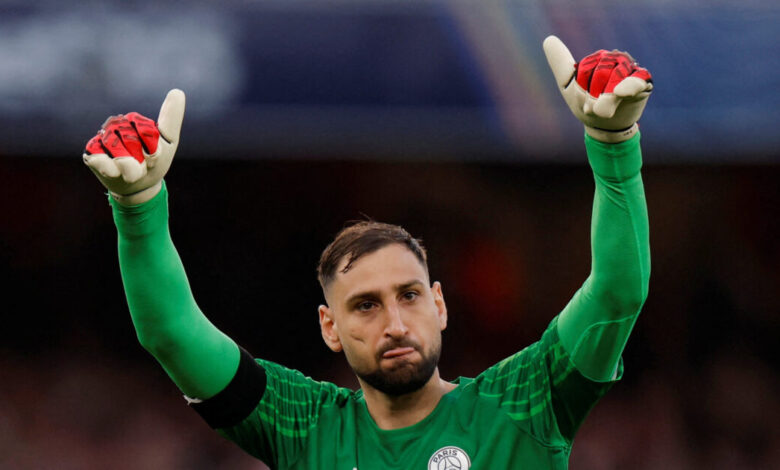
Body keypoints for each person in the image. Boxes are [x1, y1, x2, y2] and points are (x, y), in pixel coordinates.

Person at [83, 36, 652, 469]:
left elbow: (617, 292)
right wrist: (138, 208)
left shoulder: (523, 403)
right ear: (329, 327)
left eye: (409, 296)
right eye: (366, 305)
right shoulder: (305, 427)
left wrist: (613, 148)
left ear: (439, 305)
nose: (395, 323)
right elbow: (172, 334)